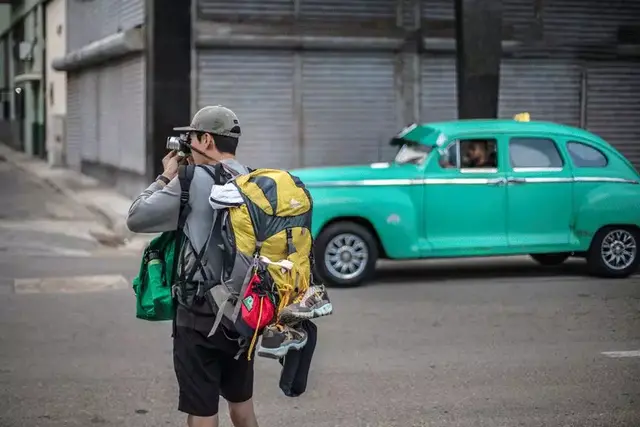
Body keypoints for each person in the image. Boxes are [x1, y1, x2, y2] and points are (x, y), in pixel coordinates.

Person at [126, 105, 260, 427]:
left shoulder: (190, 182)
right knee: (242, 407)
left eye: (192, 140)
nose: (187, 147)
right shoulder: (253, 180)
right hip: (244, 313)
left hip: (199, 317)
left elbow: (136, 217)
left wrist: (166, 176)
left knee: (202, 413)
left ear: (206, 140)